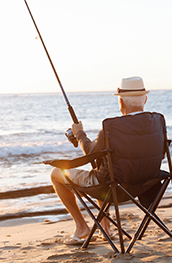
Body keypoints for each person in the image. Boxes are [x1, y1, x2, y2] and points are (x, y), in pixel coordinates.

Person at [50, 76, 150, 245]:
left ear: (121, 103)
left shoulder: (112, 128)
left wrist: (79, 133)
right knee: (104, 166)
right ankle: (105, 226)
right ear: (145, 99)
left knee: (56, 174)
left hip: (114, 187)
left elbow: (90, 151)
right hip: (145, 184)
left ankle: (82, 227)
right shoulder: (157, 124)